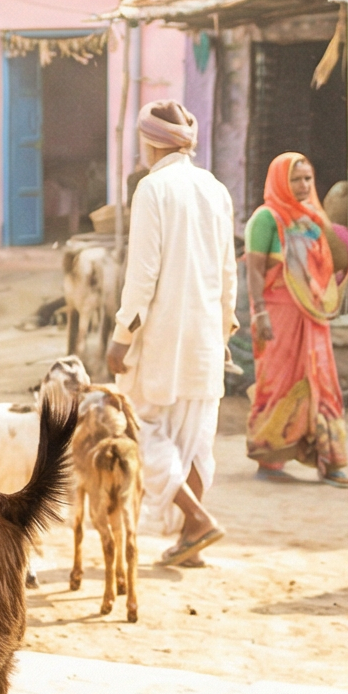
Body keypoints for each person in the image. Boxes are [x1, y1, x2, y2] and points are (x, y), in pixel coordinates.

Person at [106, 101, 236, 568]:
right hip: (204, 336)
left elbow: (142, 275)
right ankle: (189, 542)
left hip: (162, 338)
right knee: (196, 439)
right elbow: (227, 270)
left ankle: (196, 520)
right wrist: (225, 328)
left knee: (140, 430)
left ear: (148, 142)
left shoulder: (152, 189)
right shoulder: (215, 188)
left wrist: (122, 335)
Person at [244, 152, 348, 487]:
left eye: (308, 178)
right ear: (280, 180)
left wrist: (334, 234)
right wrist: (259, 311)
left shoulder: (313, 219)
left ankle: (330, 459)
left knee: (323, 381)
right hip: (277, 315)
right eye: (296, 179)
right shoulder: (266, 219)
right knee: (277, 382)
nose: (304, 185)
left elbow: (331, 264)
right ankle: (270, 455)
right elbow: (254, 269)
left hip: (313, 317)